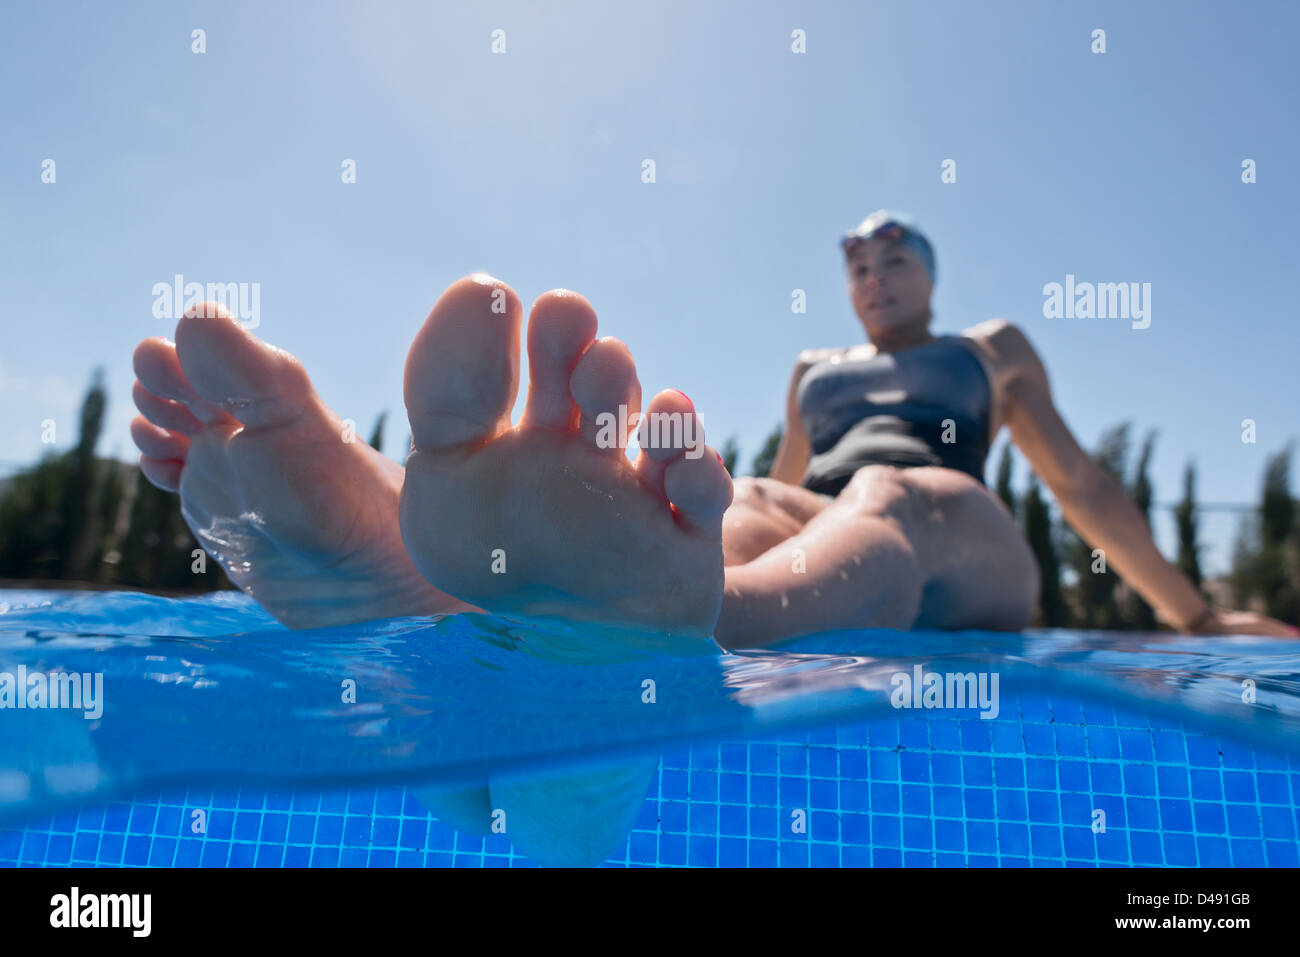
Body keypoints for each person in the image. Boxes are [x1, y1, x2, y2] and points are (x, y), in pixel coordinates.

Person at [128, 212, 1296, 648]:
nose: (872, 275)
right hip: (835, 522)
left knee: (887, 500)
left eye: (892, 258)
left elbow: (1083, 486)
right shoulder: (811, 369)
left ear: (929, 275)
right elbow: (766, 499)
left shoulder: (988, 351)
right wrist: (699, 525)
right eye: (854, 262)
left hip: (964, 535)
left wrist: (1190, 617)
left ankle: (704, 617)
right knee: (751, 515)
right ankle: (430, 562)